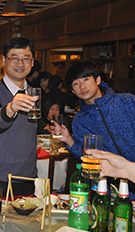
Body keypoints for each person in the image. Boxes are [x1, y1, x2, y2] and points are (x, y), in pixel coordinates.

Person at [54, 60, 135, 199]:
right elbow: (86, 155)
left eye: (86, 79)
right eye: (76, 84)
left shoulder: (127, 102)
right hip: (109, 187)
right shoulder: (79, 120)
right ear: (73, 91)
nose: (82, 86)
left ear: (97, 80)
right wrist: (69, 140)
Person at [0, 37, 39, 201]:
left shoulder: (34, 93)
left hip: (27, 177)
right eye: (14, 58)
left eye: (26, 58)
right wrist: (11, 108)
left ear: (32, 62)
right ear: (5, 60)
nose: (20, 63)